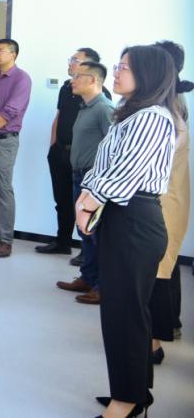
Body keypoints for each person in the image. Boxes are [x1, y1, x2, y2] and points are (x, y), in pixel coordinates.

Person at [76, 45, 177, 418]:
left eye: (124, 67)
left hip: (135, 219)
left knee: (125, 313)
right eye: (118, 65)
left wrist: (88, 202)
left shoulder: (153, 117)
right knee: (123, 310)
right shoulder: (132, 115)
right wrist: (86, 194)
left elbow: (125, 172)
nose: (116, 72)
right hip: (122, 216)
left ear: (148, 75)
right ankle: (134, 392)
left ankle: (128, 400)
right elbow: (102, 165)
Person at [54, 61, 114, 305]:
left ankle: (102, 287)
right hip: (80, 175)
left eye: (78, 76)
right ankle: (87, 278)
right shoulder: (85, 106)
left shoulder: (104, 108)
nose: (72, 80)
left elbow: (114, 149)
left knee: (95, 234)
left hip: (93, 180)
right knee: (85, 231)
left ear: (93, 80)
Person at [149, 40, 192, 364]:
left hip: (165, 198)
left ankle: (155, 340)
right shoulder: (169, 101)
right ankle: (164, 330)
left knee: (159, 271)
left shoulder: (169, 108)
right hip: (167, 196)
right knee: (163, 267)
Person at [37, 47, 104, 255]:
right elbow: (59, 117)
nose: (70, 63)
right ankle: (63, 242)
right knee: (62, 201)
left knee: (83, 205)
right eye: (71, 59)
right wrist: (52, 147)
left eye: (75, 60)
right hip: (60, 153)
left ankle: (87, 252)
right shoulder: (66, 88)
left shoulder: (100, 97)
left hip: (84, 160)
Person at [0, 38, 32, 258]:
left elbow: (11, 111)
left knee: (3, 188)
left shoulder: (22, 78)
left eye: (0, 50)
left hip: (5, 140)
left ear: (13, 54)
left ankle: (5, 239)